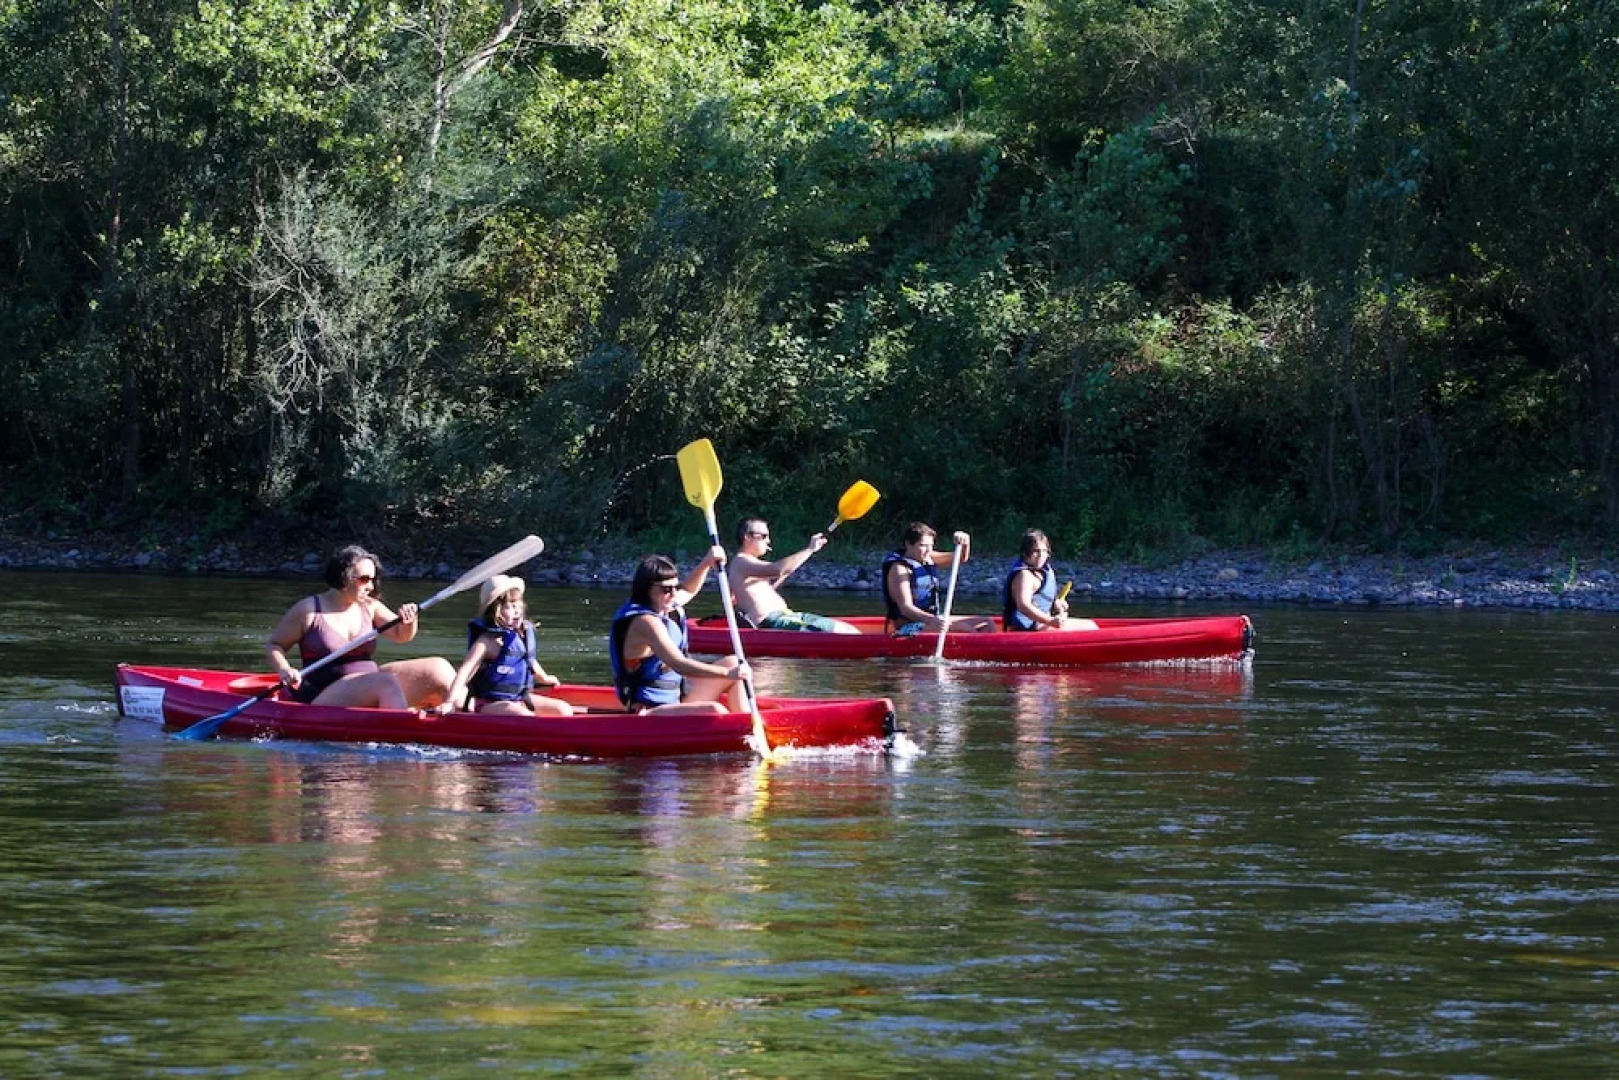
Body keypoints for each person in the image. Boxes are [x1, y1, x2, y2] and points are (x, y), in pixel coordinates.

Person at [266, 544, 455, 709]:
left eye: (373, 579)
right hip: (322, 694)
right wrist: (284, 669)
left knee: (438, 668)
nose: (371, 586)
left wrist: (410, 620)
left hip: (371, 682)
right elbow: (275, 645)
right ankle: (400, 731)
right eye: (364, 579)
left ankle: (460, 716)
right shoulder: (308, 610)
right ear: (344, 577)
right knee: (385, 683)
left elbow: (401, 635)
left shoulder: (370, 606)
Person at [609, 551, 753, 714]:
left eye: (675, 587)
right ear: (646, 589)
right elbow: (678, 664)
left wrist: (707, 562)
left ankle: (746, 722)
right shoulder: (645, 622)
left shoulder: (666, 606)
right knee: (715, 710)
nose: (673, 594)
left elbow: (689, 590)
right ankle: (738, 726)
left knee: (734, 662)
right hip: (647, 710)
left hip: (674, 700)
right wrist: (727, 673)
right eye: (666, 589)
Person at [438, 575, 573, 716]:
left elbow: (529, 660)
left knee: (564, 710)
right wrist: (449, 702)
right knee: (524, 717)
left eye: (517, 605)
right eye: (509, 607)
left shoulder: (519, 635)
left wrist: (544, 678)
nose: (516, 610)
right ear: (495, 612)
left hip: (519, 698)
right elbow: (465, 671)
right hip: (488, 703)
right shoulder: (487, 642)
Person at [727, 517, 861, 634]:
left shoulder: (749, 565)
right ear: (747, 537)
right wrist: (810, 549)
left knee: (848, 629)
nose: (768, 541)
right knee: (846, 632)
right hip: (773, 621)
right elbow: (778, 569)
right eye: (764, 536)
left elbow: (780, 573)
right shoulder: (741, 561)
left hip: (787, 617)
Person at [881, 522, 997, 636]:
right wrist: (932, 620)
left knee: (987, 623)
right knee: (964, 629)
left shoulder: (927, 557)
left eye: (931, 546)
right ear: (908, 544)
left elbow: (960, 557)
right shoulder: (899, 569)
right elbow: (906, 608)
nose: (928, 550)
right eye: (923, 545)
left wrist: (965, 542)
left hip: (932, 620)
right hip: (908, 627)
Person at [1001, 528, 1099, 632]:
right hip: (1030, 629)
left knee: (1091, 625)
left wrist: (1056, 603)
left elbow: (1040, 600)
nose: (1040, 555)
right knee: (1092, 627)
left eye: (1044, 551)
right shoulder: (1024, 575)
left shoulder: (1042, 571)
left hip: (1040, 625)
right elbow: (1023, 605)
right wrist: (1051, 621)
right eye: (1035, 551)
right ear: (1025, 553)